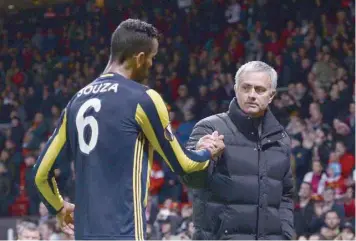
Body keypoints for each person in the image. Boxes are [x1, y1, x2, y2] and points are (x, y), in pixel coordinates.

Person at [33, 19, 225, 240]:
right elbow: (184, 164)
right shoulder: (142, 98)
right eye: (152, 58)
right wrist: (207, 152)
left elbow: (40, 174)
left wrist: (59, 207)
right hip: (123, 233)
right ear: (140, 57)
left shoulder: (75, 101)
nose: (152, 65)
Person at [182, 61, 295, 239]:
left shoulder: (281, 139)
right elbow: (191, 180)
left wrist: (286, 235)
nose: (252, 95)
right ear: (236, 89)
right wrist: (200, 157)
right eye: (246, 88)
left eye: (259, 90)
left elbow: (285, 195)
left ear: (271, 95)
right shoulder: (209, 128)